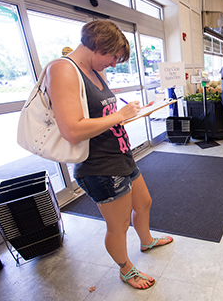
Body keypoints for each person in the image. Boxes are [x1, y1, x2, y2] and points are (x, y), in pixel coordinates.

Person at [46, 20, 173, 289]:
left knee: (144, 203)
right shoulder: (63, 69)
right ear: (97, 45)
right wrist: (118, 116)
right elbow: (71, 130)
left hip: (120, 154)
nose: (115, 64)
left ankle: (147, 241)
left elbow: (104, 117)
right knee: (119, 225)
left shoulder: (94, 70)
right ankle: (125, 270)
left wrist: (132, 113)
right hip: (99, 166)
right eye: (113, 57)